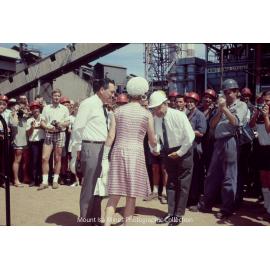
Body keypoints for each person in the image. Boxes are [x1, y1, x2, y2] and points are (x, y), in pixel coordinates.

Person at [191, 78, 248, 219]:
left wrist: (224, 109)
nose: (227, 95)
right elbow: (212, 125)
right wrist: (220, 111)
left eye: (230, 92)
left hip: (231, 141)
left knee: (229, 176)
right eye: (225, 92)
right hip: (218, 142)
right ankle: (206, 204)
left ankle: (227, 207)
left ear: (236, 92)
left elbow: (236, 122)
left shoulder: (241, 105)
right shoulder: (221, 106)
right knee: (212, 175)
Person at [103, 77, 158, 226]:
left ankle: (106, 226)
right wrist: (156, 147)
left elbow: (110, 136)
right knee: (131, 195)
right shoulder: (147, 114)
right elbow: (152, 140)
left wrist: (104, 158)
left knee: (114, 194)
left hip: (118, 152)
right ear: (143, 95)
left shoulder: (117, 111)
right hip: (136, 154)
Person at [72, 78, 116, 225]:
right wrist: (78, 149)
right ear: (102, 90)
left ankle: (95, 218)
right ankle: (84, 219)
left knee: (99, 186)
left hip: (103, 148)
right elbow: (78, 127)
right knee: (89, 185)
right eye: (111, 91)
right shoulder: (88, 104)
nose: (113, 94)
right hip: (91, 147)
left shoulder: (104, 106)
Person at [149, 91, 195, 226]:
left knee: (183, 185)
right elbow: (157, 138)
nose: (156, 111)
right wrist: (156, 149)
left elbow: (190, 136)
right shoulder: (156, 118)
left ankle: (178, 215)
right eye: (153, 108)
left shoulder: (179, 116)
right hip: (168, 152)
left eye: (158, 107)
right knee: (171, 184)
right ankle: (170, 213)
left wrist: (180, 152)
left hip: (183, 151)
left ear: (165, 104)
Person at [38, 89, 70, 190]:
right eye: (55, 96)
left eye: (58, 96)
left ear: (60, 97)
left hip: (60, 133)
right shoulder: (46, 108)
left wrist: (61, 124)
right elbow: (42, 122)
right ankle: (45, 181)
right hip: (49, 133)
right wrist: (47, 127)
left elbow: (68, 122)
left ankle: (55, 180)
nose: (56, 97)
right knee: (44, 158)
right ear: (52, 97)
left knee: (57, 158)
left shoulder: (64, 108)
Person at [249, 90, 270, 221]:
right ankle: (267, 206)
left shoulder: (266, 115)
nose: (265, 103)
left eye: (268, 101)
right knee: (264, 179)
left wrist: (266, 115)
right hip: (262, 150)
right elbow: (251, 125)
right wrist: (257, 112)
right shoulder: (261, 114)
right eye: (263, 101)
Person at [185, 92, 207, 207]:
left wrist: (188, 132)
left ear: (196, 103)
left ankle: (195, 200)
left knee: (196, 175)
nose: (189, 104)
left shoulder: (200, 115)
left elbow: (202, 132)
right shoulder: (188, 114)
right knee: (190, 175)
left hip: (196, 149)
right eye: (188, 102)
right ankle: (189, 199)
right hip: (188, 148)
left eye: (191, 102)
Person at [26, 101, 45, 187]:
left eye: (36, 107)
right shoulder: (29, 120)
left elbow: (47, 129)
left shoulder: (43, 118)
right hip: (33, 142)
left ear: (39, 109)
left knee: (42, 161)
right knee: (33, 161)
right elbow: (29, 134)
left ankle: (41, 180)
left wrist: (43, 126)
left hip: (43, 141)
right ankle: (33, 180)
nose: (35, 109)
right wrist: (32, 127)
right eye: (33, 108)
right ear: (31, 110)